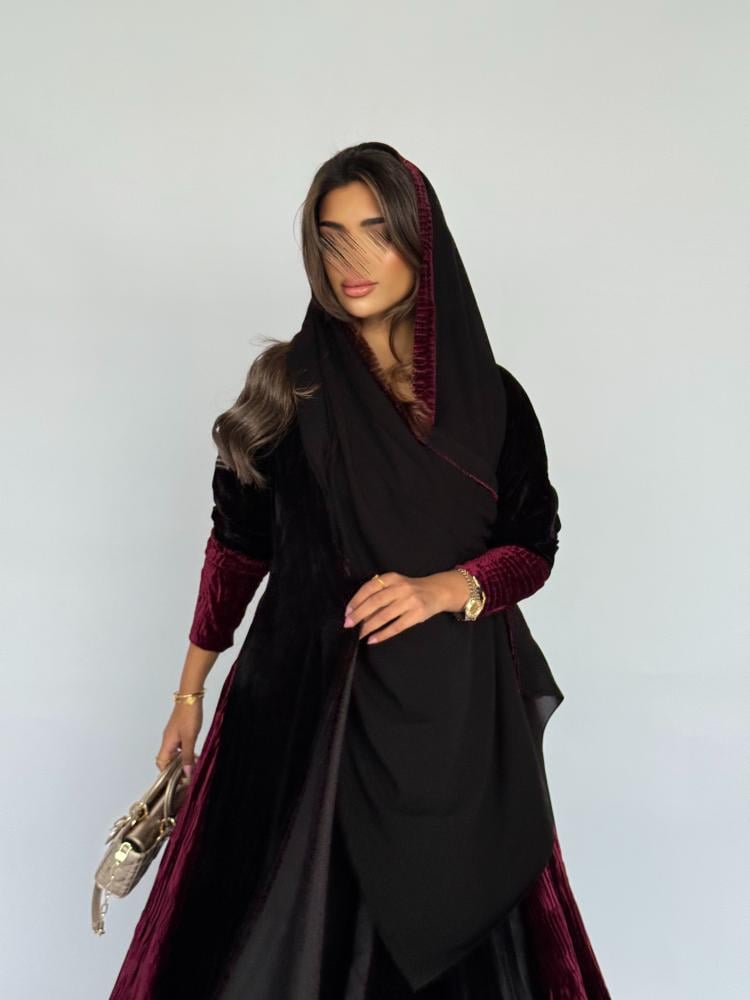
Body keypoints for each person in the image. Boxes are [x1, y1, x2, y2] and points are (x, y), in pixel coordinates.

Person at [109, 141, 611, 999]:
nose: (352, 260)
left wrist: (448, 588)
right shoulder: (286, 387)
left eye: (376, 233)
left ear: (421, 241)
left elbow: (534, 545)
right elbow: (237, 548)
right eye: (332, 237)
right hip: (301, 719)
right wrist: (188, 694)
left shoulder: (492, 400)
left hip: (454, 722)